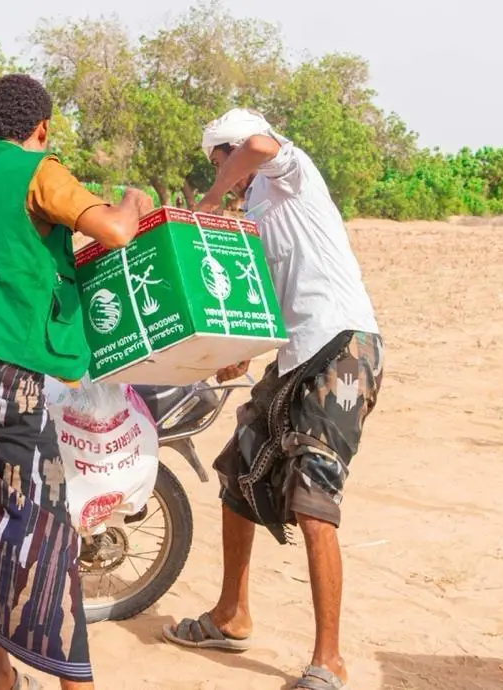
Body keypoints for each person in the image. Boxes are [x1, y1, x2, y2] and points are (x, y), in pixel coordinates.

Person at [0, 73, 153, 690]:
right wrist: (132, 201)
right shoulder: (38, 169)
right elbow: (114, 231)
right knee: (46, 537)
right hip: (8, 374)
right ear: (42, 129)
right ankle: (72, 683)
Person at [161, 108, 385, 690]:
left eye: (223, 161)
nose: (227, 174)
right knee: (238, 469)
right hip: (295, 354)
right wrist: (241, 354)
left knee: (313, 497)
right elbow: (274, 298)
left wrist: (212, 193)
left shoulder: (290, 172)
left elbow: (261, 144)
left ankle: (328, 662)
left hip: (342, 348)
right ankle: (232, 615)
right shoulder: (258, 209)